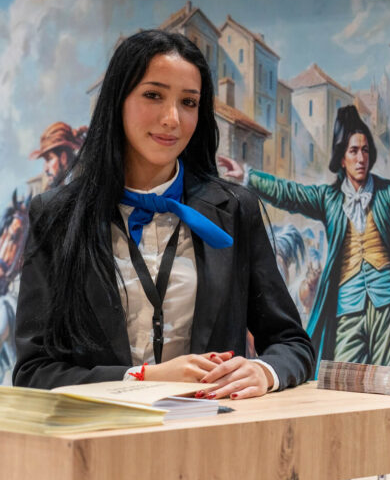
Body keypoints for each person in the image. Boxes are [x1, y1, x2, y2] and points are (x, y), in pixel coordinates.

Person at [13, 29, 314, 398]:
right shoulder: (57, 216)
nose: (173, 118)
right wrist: (141, 378)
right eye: (153, 95)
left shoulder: (235, 210)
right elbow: (33, 372)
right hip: (102, 431)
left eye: (188, 102)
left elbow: (292, 344)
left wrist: (263, 371)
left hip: (215, 429)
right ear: (118, 100)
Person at [219, 105, 390, 376]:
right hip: (347, 304)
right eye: (353, 151)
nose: (361, 158)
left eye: (365, 150)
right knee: (343, 379)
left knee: (388, 380)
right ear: (342, 158)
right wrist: (249, 177)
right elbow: (290, 193)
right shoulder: (329, 198)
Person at [29, 122, 87, 191]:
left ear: (63, 158)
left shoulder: (81, 182)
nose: (46, 169)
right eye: (45, 160)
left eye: (49, 159)